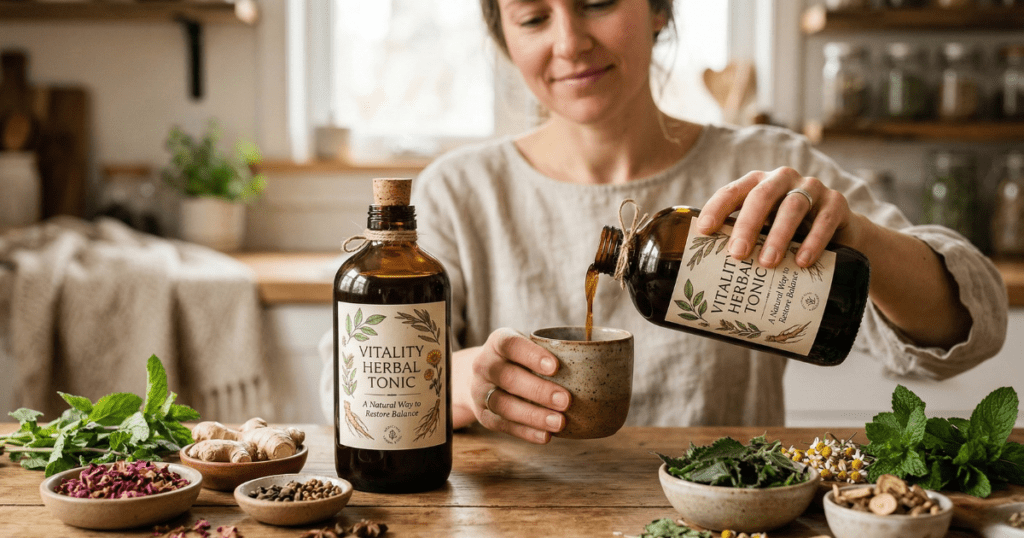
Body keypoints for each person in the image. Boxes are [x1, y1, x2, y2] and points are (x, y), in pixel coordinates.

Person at [374, 0, 1008, 444]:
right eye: (534, 17)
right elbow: (349, 381)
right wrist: (461, 381)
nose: (568, 42)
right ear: (505, 40)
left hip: (738, 511)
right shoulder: (458, 193)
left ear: (659, 10)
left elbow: (970, 332)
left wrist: (860, 239)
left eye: (597, 2)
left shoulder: (767, 165)